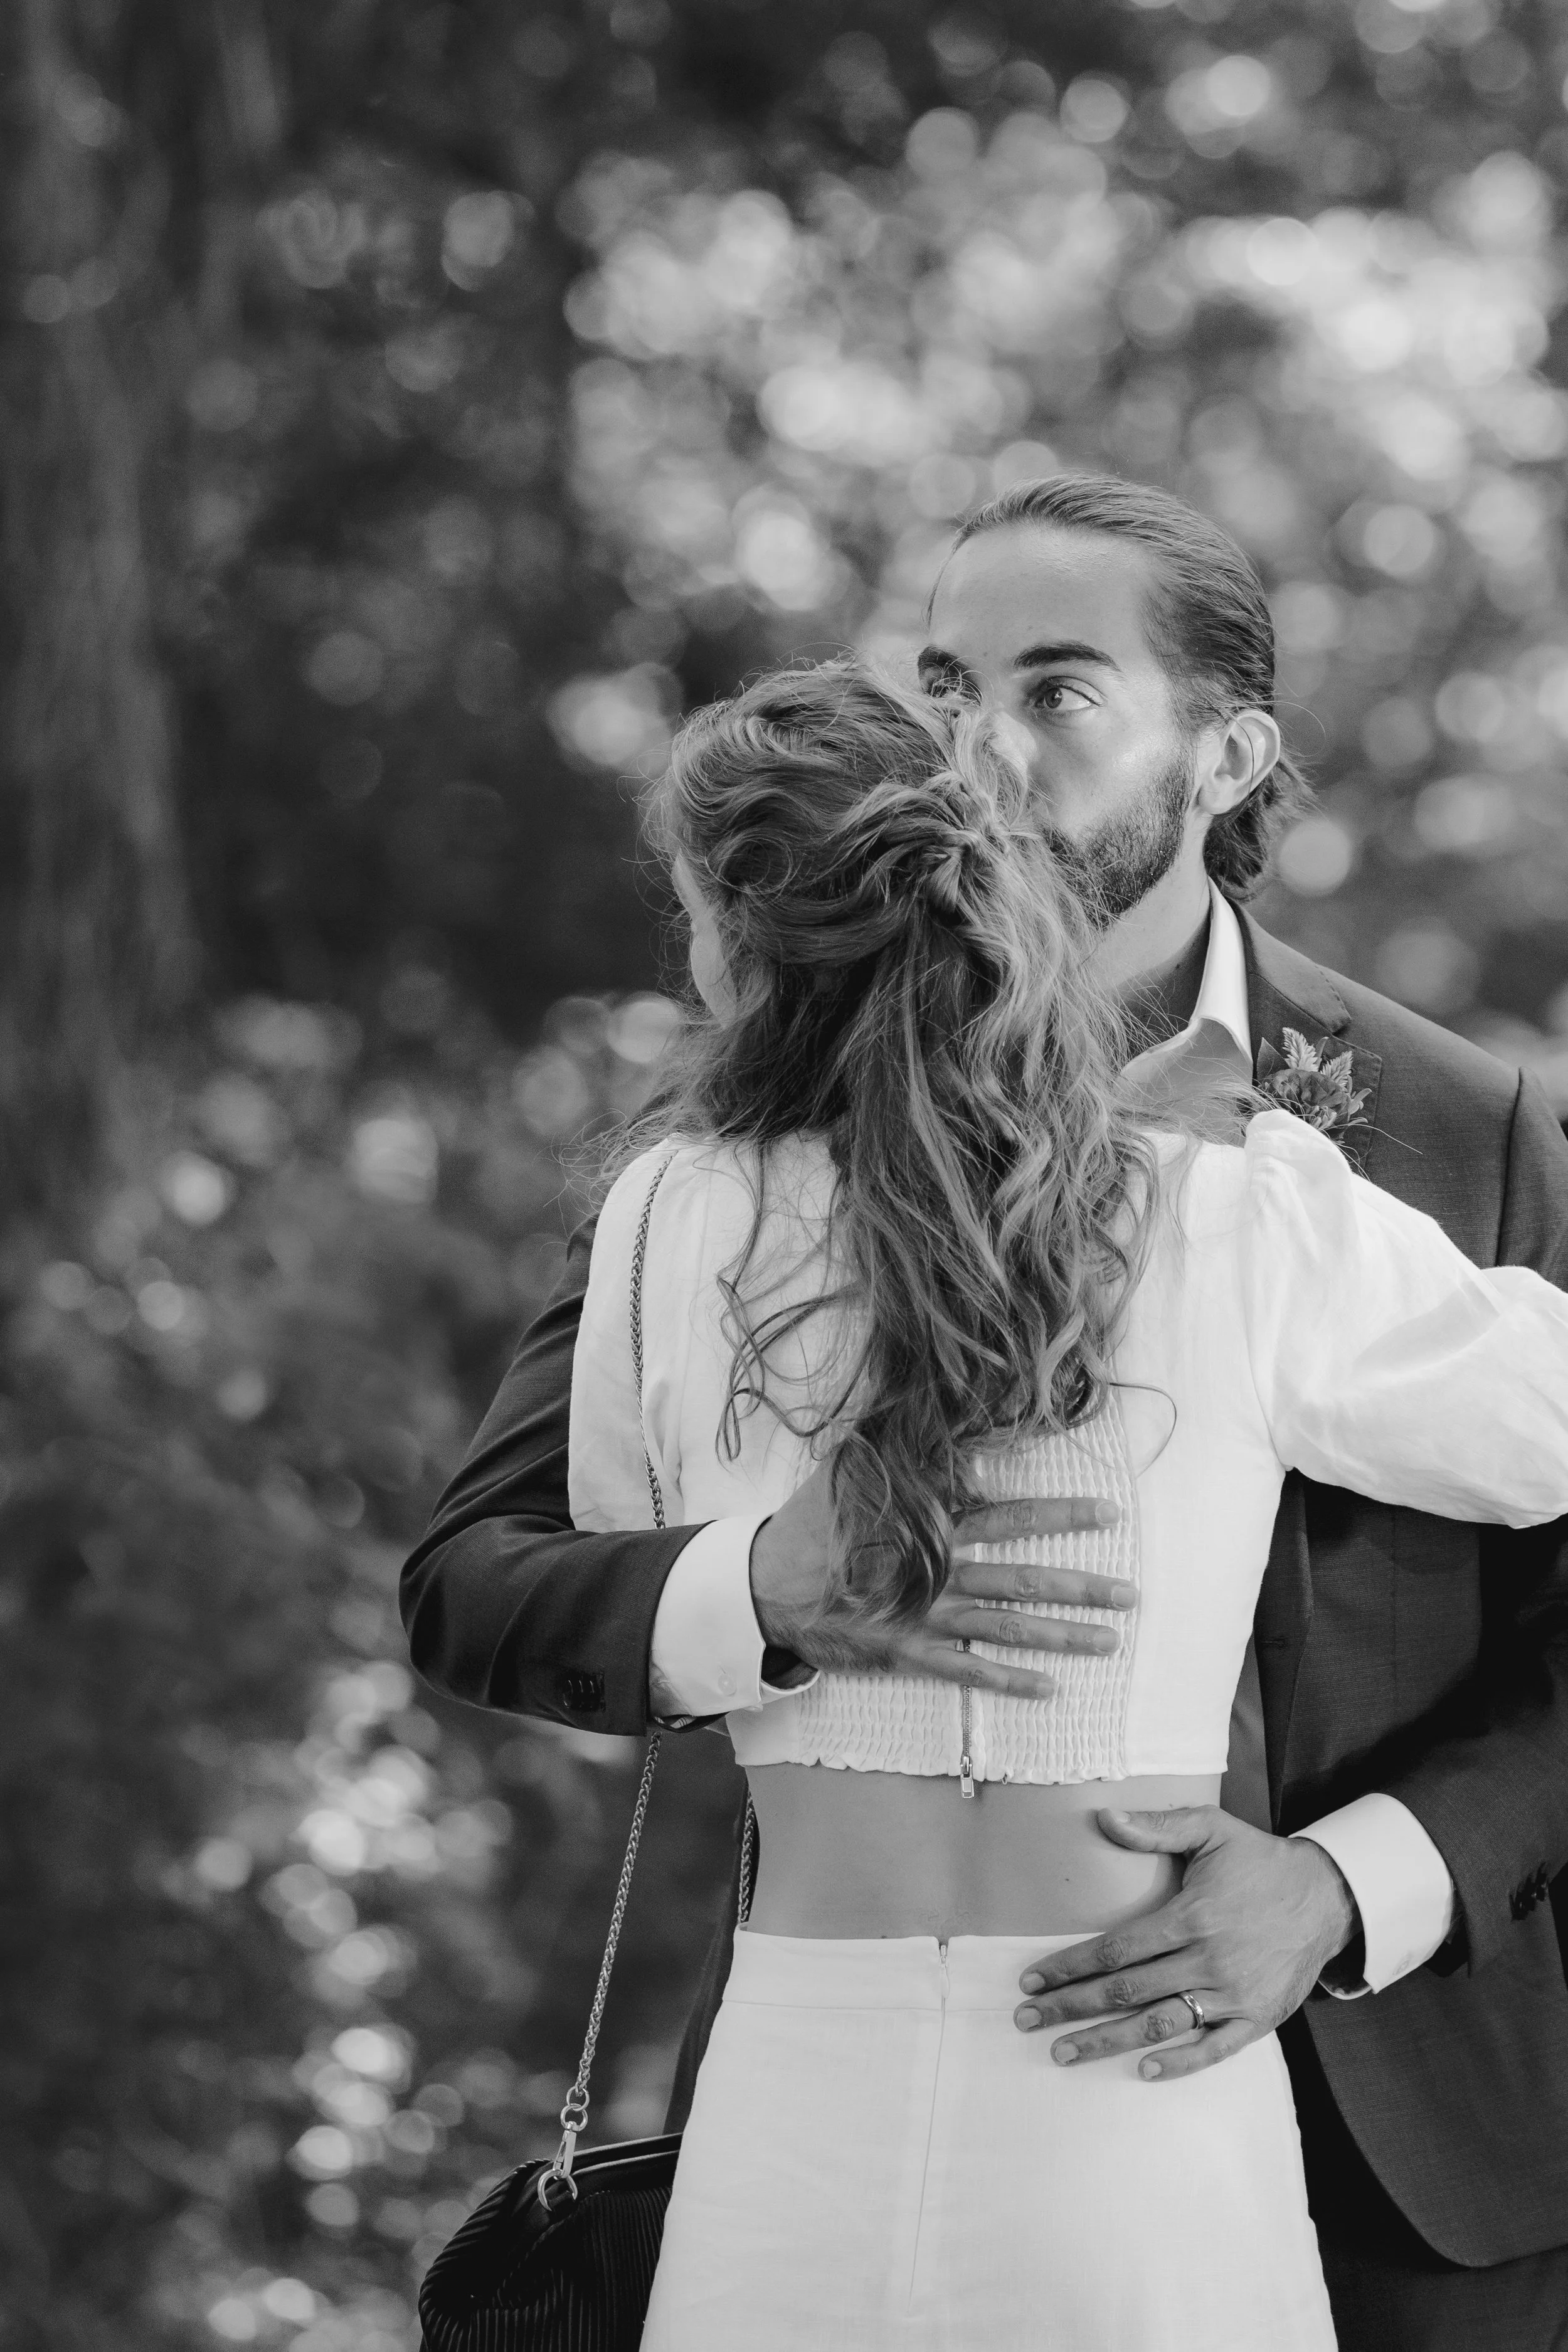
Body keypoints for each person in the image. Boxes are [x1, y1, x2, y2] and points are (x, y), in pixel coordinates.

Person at [401, 476, 1568, 2350]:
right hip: (823, 2082)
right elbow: (488, 1575)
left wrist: (1354, 1886)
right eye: (945, 686)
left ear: (1222, 751)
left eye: (1054, 689)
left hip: (1409, 2145)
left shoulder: (1431, 1135)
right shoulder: (695, 1192)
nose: (980, 746)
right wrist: (764, 1584)